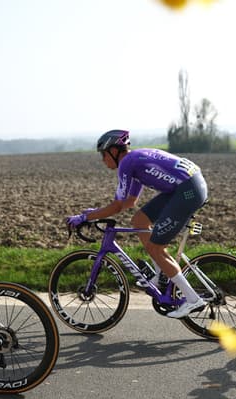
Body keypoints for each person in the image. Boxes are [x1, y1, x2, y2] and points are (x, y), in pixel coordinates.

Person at [65, 129, 208, 318]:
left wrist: (85, 218)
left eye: (103, 155)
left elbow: (117, 206)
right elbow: (130, 202)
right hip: (186, 186)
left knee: (156, 248)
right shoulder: (135, 161)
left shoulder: (127, 163)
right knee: (139, 221)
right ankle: (160, 276)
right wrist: (95, 213)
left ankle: (192, 299)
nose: (103, 160)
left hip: (188, 191)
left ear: (114, 151)